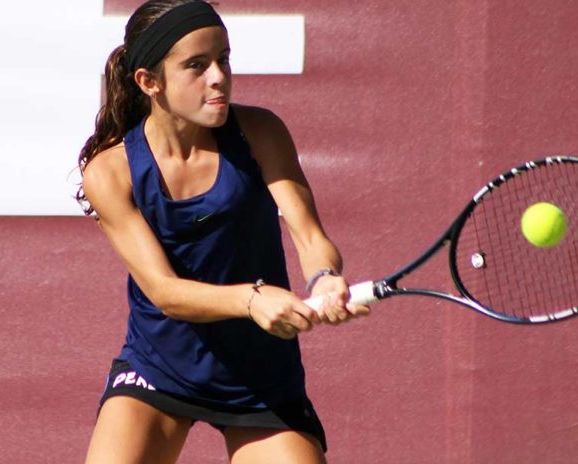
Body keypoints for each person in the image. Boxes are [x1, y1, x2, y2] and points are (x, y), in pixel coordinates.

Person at [77, 1, 370, 463]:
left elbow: (311, 238)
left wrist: (324, 278)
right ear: (149, 82)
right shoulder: (111, 173)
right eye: (196, 65)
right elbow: (165, 293)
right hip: (158, 369)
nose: (218, 77)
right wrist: (253, 300)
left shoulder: (260, 132)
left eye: (223, 59)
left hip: (260, 379)